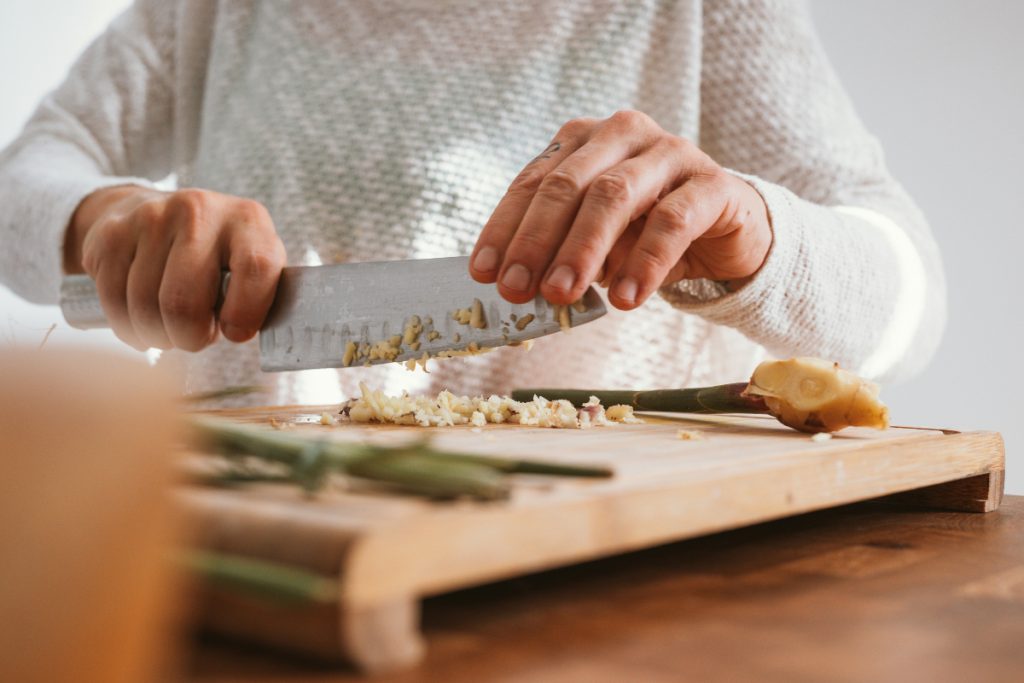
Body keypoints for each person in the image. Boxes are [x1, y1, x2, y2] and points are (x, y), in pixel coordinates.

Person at [0, 0, 945, 405]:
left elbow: (912, 304)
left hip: (603, 584)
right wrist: (100, 219)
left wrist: (763, 238)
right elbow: (24, 176)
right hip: (245, 557)